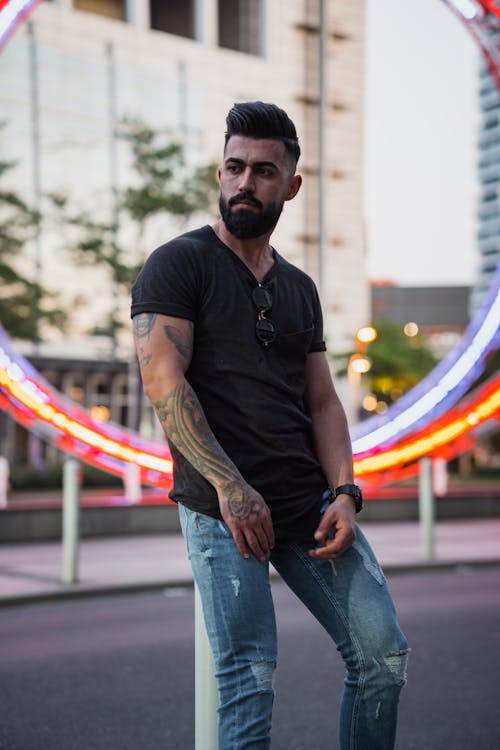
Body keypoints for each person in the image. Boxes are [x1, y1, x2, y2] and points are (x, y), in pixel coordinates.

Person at [131, 101, 409, 749]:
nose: (245, 183)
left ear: (291, 185)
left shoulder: (300, 288)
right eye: (234, 167)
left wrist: (345, 491)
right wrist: (231, 487)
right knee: (249, 677)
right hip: (221, 506)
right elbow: (163, 382)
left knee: (383, 658)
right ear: (219, 174)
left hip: (305, 501)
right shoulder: (179, 265)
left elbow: (322, 403)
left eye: (263, 170)